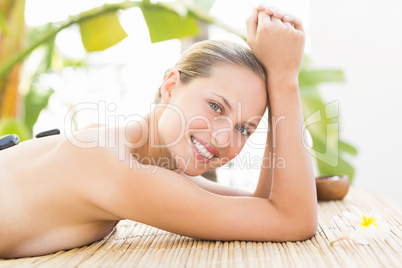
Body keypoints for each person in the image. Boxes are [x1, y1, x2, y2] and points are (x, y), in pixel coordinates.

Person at [0, 6, 317, 259]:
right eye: (215, 107)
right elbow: (292, 220)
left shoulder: (142, 157)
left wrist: (278, 90)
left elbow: (260, 207)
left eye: (243, 128)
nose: (223, 139)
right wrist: (285, 80)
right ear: (170, 87)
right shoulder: (117, 167)